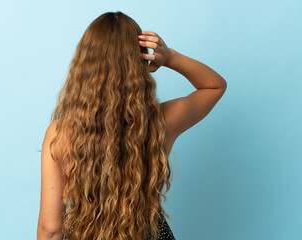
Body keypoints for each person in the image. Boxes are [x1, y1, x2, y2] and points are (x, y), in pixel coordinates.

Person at [37, 11, 227, 240]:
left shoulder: (59, 134)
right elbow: (214, 86)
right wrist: (169, 57)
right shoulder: (161, 122)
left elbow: (50, 230)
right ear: (140, 62)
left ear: (84, 67)